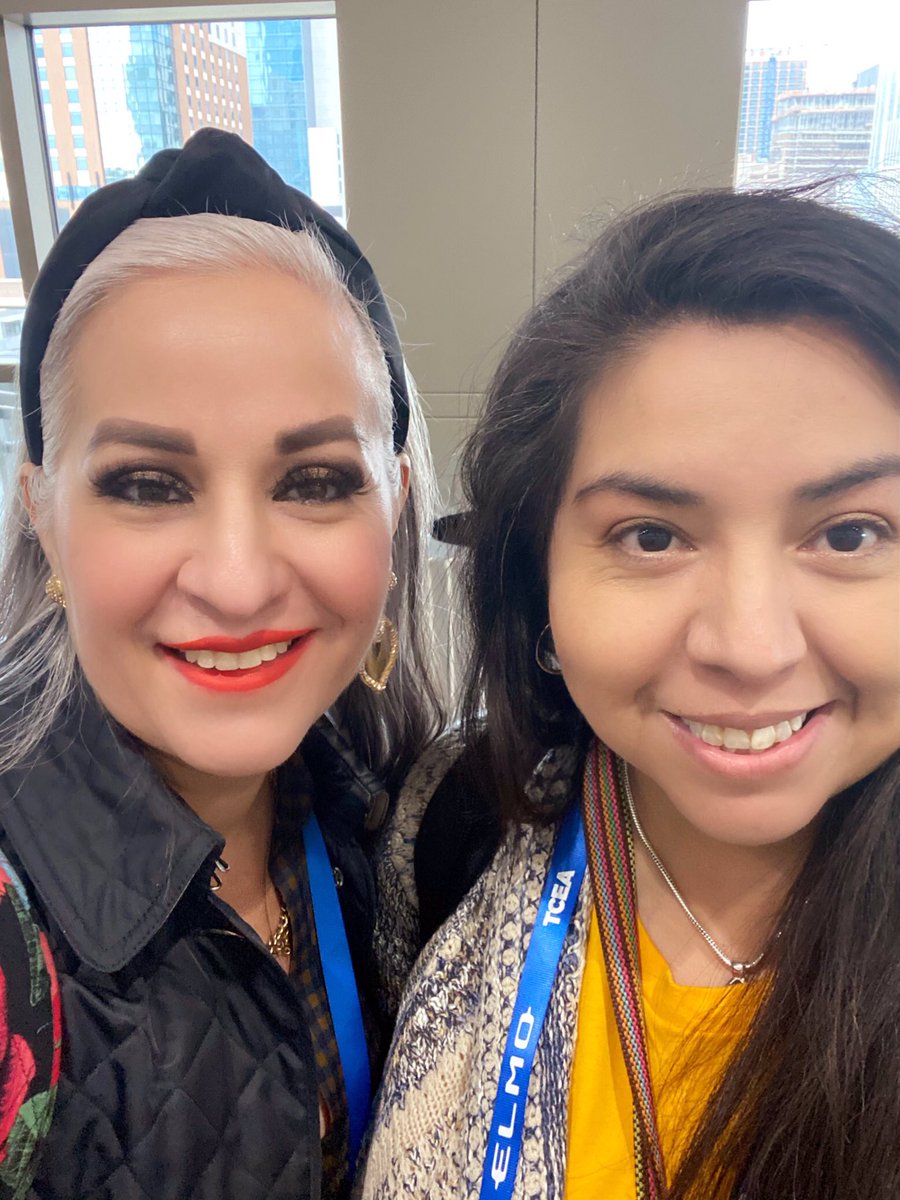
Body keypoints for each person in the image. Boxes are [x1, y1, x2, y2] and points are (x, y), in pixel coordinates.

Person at [361, 187, 900, 1200]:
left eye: (850, 533)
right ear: (539, 580)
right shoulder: (449, 825)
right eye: (652, 537)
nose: (750, 648)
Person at [0, 128, 441, 1199]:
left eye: (315, 481)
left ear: (394, 508)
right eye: (149, 485)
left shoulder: (390, 821)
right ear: (42, 516)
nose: (238, 585)